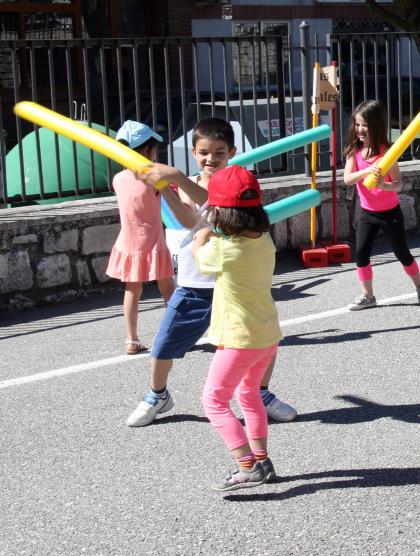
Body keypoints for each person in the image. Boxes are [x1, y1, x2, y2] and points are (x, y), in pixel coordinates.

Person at [126, 118, 296, 427]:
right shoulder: (190, 183)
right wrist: (165, 188)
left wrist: (175, 176)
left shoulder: (238, 182)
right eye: (204, 152)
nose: (210, 159)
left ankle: (262, 393)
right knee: (165, 343)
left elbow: (217, 203)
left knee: (263, 339)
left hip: (234, 284)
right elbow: (189, 220)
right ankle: (157, 395)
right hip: (195, 283)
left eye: (218, 153)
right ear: (193, 152)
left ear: (231, 152)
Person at [193, 164, 282, 491]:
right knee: (248, 394)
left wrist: (202, 232)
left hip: (239, 339)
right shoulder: (265, 240)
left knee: (214, 400)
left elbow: (199, 257)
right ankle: (263, 459)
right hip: (266, 335)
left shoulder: (224, 249)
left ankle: (248, 466)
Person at [342, 99, 420, 310]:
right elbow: (347, 179)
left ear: (376, 125)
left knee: (402, 252)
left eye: (364, 125)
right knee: (362, 253)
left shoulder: (386, 153)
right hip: (367, 213)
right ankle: (368, 296)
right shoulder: (353, 151)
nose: (360, 129)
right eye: (357, 124)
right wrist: (367, 171)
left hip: (390, 213)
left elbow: (398, 185)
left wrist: (384, 185)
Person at [106, 121, 176, 354]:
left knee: (132, 290)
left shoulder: (118, 179)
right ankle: (175, 334)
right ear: (147, 151)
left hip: (128, 242)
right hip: (154, 241)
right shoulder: (154, 179)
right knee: (168, 289)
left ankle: (131, 339)